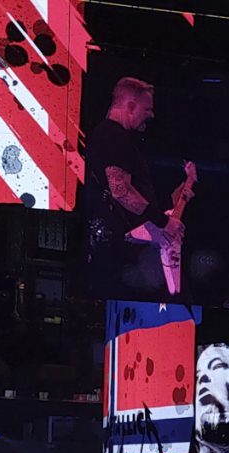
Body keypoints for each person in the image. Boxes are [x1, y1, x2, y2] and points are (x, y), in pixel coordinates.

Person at [84, 77, 192, 300]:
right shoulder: (113, 136)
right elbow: (121, 191)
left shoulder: (112, 136)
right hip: (121, 250)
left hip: (120, 247)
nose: (151, 115)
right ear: (131, 106)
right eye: (147, 109)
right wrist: (163, 222)